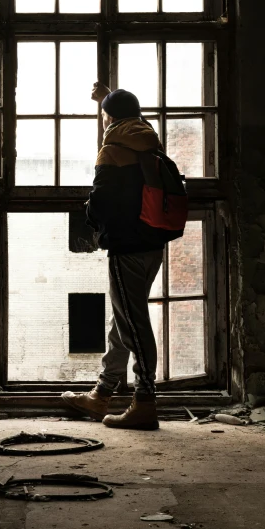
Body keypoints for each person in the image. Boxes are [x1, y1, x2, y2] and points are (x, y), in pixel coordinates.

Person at [62, 82, 167, 431]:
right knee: (125, 318)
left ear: (110, 118)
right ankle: (103, 393)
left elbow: (103, 199)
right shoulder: (148, 136)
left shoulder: (113, 145)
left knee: (134, 324)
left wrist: (90, 215)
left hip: (127, 243)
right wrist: (107, 98)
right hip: (153, 240)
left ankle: (145, 402)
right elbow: (125, 115)